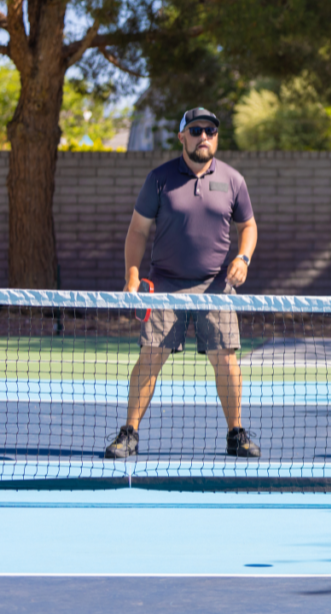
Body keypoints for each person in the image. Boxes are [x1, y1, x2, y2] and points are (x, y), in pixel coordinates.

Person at [105, 107, 261, 459]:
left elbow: (248, 226)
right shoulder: (158, 179)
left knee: (226, 360)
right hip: (164, 284)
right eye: (195, 130)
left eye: (210, 131)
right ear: (182, 137)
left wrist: (243, 258)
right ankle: (129, 433)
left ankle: (236, 434)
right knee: (151, 356)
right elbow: (137, 230)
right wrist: (132, 275)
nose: (203, 136)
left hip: (216, 286)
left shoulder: (233, 180)